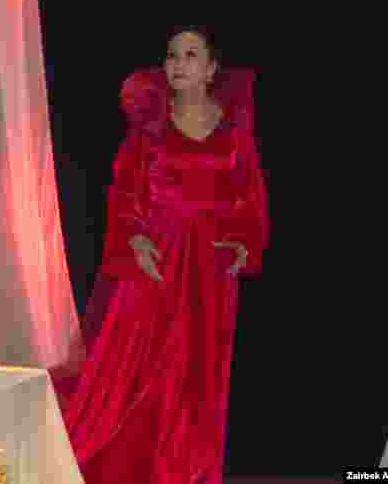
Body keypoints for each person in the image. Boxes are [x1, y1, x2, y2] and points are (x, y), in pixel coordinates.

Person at [55, 25, 269, 483]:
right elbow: (124, 193)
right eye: (172, 55)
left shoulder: (234, 129)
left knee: (198, 375)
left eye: (191, 55)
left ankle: (186, 471)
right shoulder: (150, 125)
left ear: (211, 68)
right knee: (137, 369)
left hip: (208, 267)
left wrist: (243, 243)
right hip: (157, 259)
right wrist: (135, 239)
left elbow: (249, 196)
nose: (178, 64)